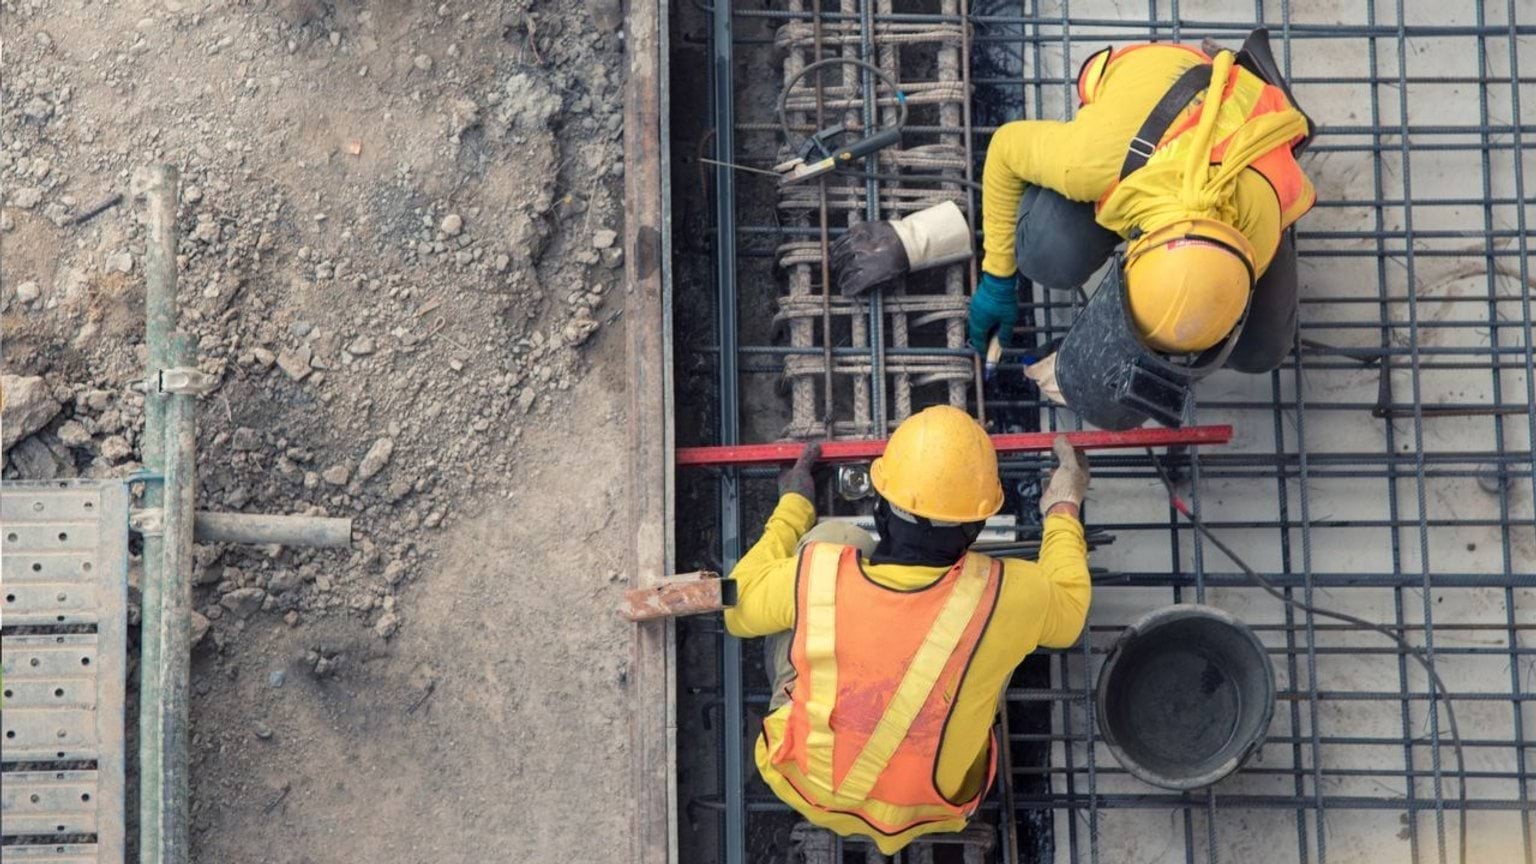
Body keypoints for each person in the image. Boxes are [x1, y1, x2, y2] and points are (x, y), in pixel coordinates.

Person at [723, 406, 1092, 853]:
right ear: (976, 527)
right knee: (995, 638)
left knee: (833, 540)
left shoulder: (819, 575)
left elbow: (737, 607)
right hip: (936, 808)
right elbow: (1071, 610)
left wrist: (794, 505)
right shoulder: (1009, 593)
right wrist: (1063, 506)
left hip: (805, 783)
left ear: (880, 512)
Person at [969, 34, 1315, 424]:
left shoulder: (1262, 228)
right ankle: (1229, 67)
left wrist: (1106, 365)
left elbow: (1186, 311)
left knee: (1261, 350)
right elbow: (1003, 150)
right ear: (1134, 251)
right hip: (1157, 91)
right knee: (1044, 256)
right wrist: (998, 275)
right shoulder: (1090, 162)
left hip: (1250, 141)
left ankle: (1255, 83)